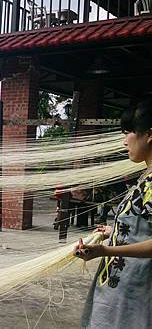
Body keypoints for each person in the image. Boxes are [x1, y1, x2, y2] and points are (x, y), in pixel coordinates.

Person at [74, 100, 152, 329]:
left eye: (128, 132)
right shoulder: (145, 176)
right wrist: (113, 231)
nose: (123, 140)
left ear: (149, 135)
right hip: (122, 284)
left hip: (138, 288)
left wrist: (106, 250)